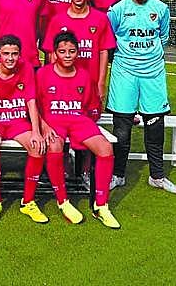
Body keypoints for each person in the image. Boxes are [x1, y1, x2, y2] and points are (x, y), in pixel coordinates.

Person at [107, 0, 176, 195]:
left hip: (153, 73)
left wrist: (149, 57)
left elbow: (163, 37)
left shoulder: (161, 9)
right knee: (122, 130)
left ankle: (157, 176)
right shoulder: (117, 10)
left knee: (155, 127)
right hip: (124, 73)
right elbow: (110, 39)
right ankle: (118, 175)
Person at [37, 32, 121, 229]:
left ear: (77, 52)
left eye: (71, 51)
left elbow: (90, 106)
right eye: (62, 51)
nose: (67, 55)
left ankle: (101, 205)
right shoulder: (42, 74)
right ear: (55, 53)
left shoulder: (83, 75)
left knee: (106, 148)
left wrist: (88, 124)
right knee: (55, 146)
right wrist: (44, 125)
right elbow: (33, 106)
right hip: (53, 121)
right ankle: (63, 201)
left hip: (78, 120)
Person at [41, 0, 116, 188]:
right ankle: (62, 167)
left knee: (88, 127)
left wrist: (101, 82)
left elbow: (103, 51)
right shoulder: (58, 20)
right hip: (62, 87)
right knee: (59, 125)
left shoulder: (100, 19)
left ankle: (85, 170)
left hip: (88, 86)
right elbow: (51, 54)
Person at [0, 35, 48, 224]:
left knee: (37, 147)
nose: (10, 58)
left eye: (14, 54)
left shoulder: (26, 68)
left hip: (17, 122)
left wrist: (36, 131)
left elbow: (31, 101)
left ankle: (28, 201)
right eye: (6, 53)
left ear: (20, 55)